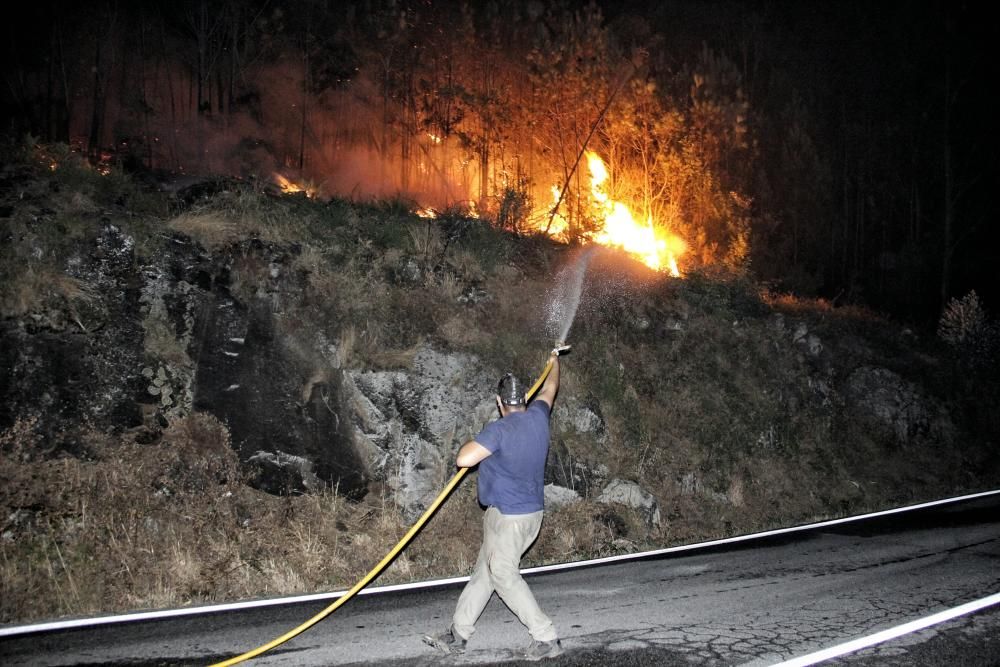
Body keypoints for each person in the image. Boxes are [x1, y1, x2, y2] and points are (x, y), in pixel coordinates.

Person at [424, 349, 564, 661]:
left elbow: (464, 459)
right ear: (525, 399)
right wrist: (554, 363)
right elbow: (550, 388)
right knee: (484, 573)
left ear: (500, 404)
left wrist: (479, 440)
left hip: (510, 518)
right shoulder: (539, 417)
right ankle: (459, 632)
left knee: (500, 572)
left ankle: (546, 636)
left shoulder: (499, 429)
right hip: (524, 514)